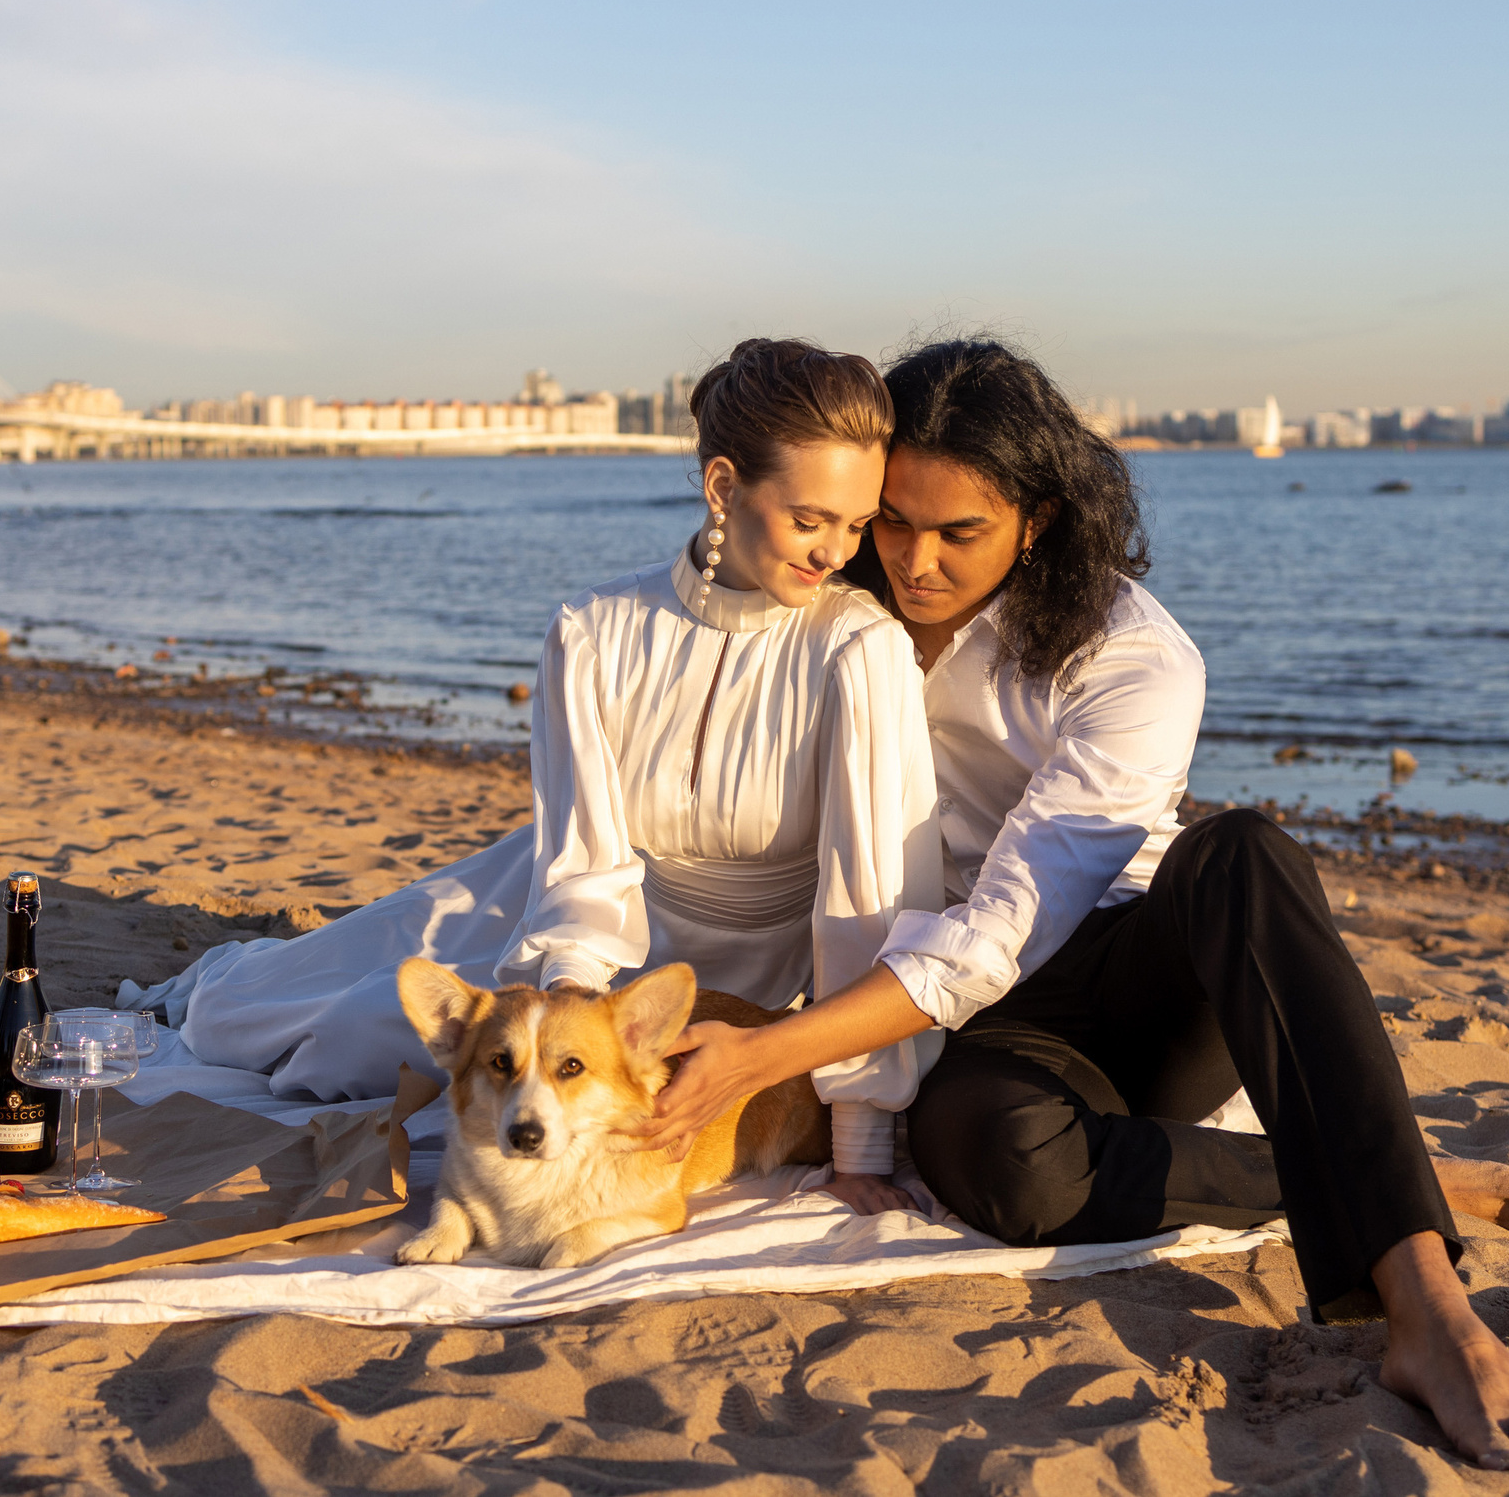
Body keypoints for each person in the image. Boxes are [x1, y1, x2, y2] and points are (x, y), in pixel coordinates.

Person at [636, 338, 1509, 1471]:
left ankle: (1426, 1301)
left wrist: (759, 1058)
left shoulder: (1131, 655)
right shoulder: (836, 607)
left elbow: (1000, 934)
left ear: (1034, 519)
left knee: (1239, 850)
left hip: (1133, 972)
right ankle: (1404, 1173)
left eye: (959, 533)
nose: (913, 561)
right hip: (971, 1024)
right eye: (892, 520)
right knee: (998, 1170)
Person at [125, 338, 940, 1211]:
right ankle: (209, 983)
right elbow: (584, 868)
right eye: (810, 519)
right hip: (561, 923)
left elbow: (871, 911)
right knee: (302, 1035)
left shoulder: (859, 650)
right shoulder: (594, 630)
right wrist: (563, 1011)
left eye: (856, 525)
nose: (836, 555)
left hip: (714, 989)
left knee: (341, 1042)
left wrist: (861, 1144)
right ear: (722, 487)